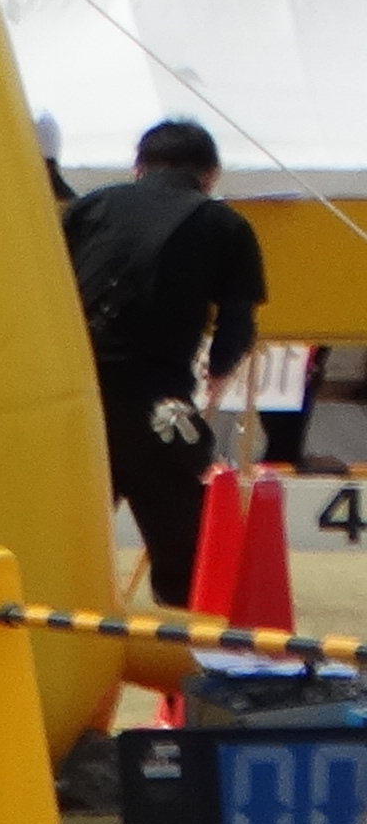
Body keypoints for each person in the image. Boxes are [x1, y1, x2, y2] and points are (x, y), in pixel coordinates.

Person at [63, 116, 265, 608]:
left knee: (63, 542)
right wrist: (217, 377)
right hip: (158, 405)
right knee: (190, 550)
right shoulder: (225, 224)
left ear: (139, 167)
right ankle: (184, 661)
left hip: (72, 403)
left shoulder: (89, 208)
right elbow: (236, 323)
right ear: (211, 174)